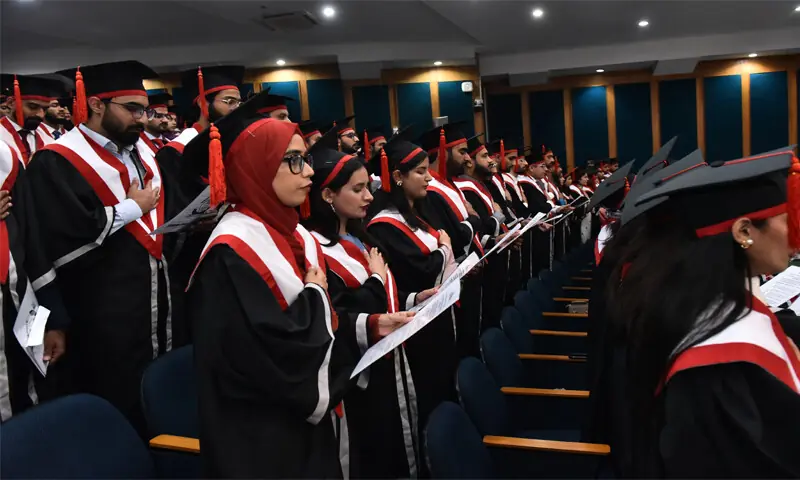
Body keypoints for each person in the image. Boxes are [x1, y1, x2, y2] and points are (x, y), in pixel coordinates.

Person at [184, 96, 411, 477]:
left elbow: (321, 321)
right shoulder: (230, 254)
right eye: (293, 160)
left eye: (305, 158)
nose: (308, 172)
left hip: (304, 429)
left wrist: (368, 326)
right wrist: (315, 294)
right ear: (255, 167)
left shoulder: (292, 234)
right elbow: (274, 357)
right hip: (264, 439)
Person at [607, 147, 800, 477]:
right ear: (743, 232)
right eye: (787, 220)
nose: (795, 235)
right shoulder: (712, 368)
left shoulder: (703, 303)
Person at [26, 60, 172, 435]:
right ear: (95, 105)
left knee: (155, 394)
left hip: (150, 302)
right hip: (96, 308)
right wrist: (132, 208)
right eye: (132, 109)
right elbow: (60, 235)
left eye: (145, 110)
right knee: (111, 400)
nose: (142, 119)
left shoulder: (143, 154)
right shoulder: (56, 161)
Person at [302, 130, 435, 478]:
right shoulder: (315, 248)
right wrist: (376, 279)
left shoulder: (359, 237)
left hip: (391, 363)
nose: (367, 197)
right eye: (357, 189)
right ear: (328, 194)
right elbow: (339, 312)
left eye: (368, 188)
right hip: (361, 375)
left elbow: (385, 299)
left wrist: (412, 298)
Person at [366, 131, 459, 467]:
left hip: (436, 324)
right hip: (415, 335)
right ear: (397, 176)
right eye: (420, 171)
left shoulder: (417, 215)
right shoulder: (384, 225)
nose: (429, 176)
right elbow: (419, 271)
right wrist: (446, 248)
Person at [0, 141, 70, 421]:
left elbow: (33, 248)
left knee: (29, 397)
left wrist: (53, 320)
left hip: (20, 304)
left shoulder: (5, 157)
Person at [0, 74, 64, 164]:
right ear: (11, 103)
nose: (41, 115)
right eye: (33, 107)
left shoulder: (49, 140)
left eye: (45, 109)